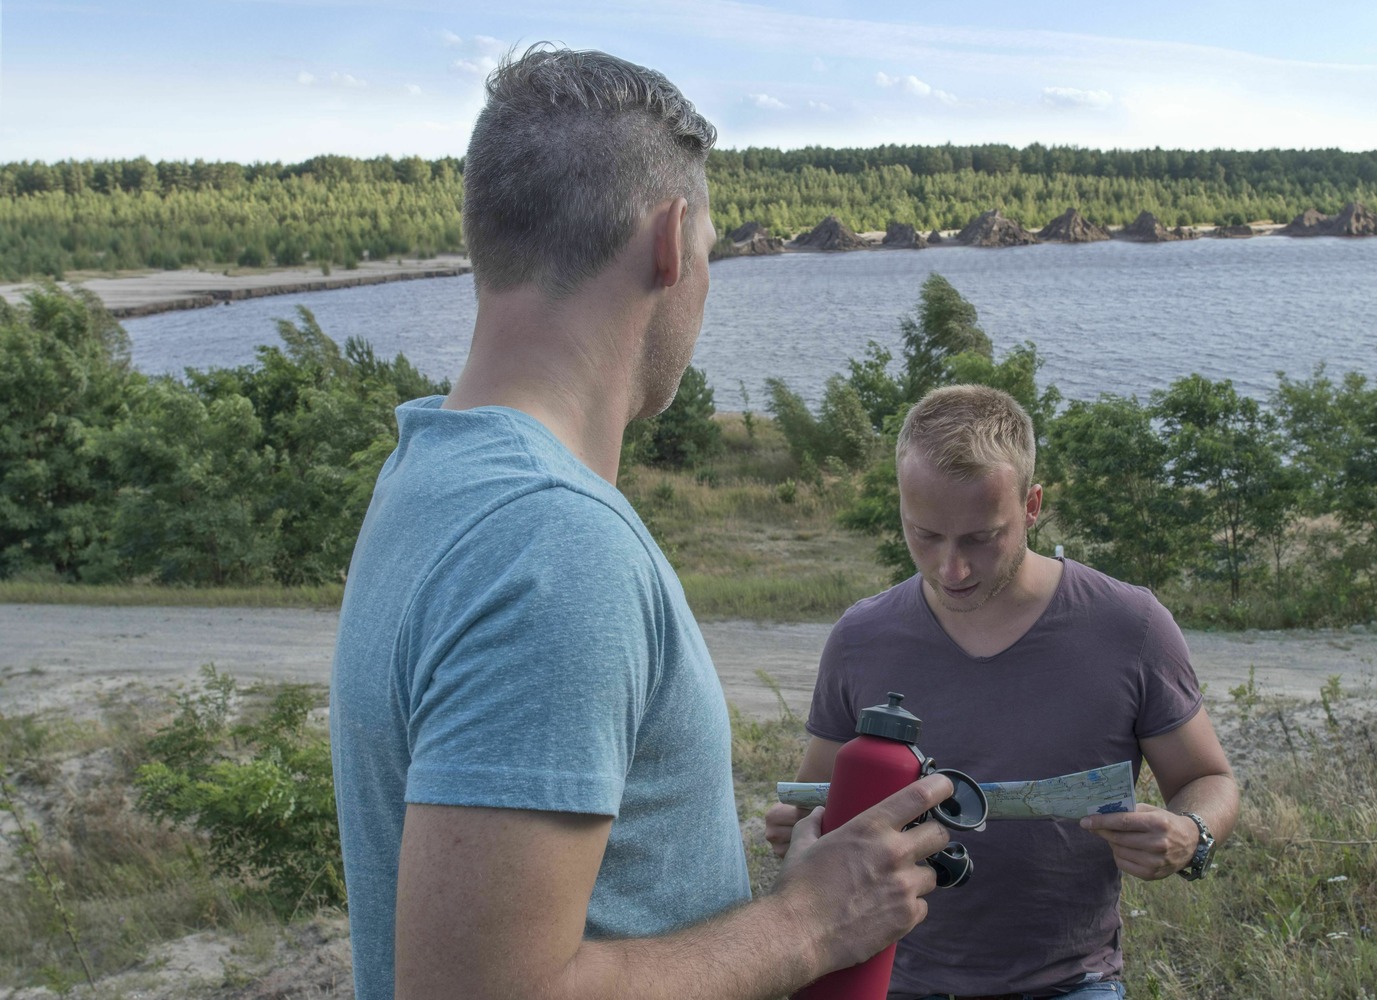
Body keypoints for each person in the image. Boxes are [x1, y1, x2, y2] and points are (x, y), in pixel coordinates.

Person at [329, 46, 955, 1000]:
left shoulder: (428, 469)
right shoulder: (553, 544)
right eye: (710, 254)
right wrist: (807, 924)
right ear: (670, 240)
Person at [765, 384, 1240, 1000]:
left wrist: (1191, 834)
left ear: (1032, 505)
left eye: (980, 537)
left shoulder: (1131, 627)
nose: (951, 569)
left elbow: (1208, 778)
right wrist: (798, 834)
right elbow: (822, 804)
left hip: (1069, 982)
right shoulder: (861, 637)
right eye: (925, 534)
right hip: (886, 976)